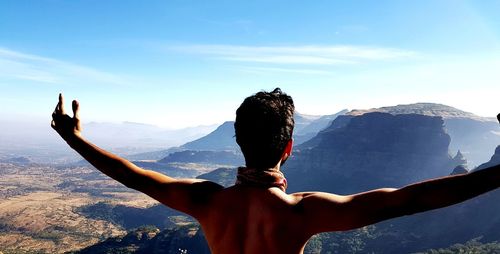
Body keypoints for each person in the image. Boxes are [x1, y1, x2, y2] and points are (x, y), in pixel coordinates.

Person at [51, 89, 500, 254]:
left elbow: (132, 175)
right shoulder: (304, 213)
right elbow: (411, 200)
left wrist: (75, 139)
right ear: (289, 147)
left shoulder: (205, 201)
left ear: (236, 141)